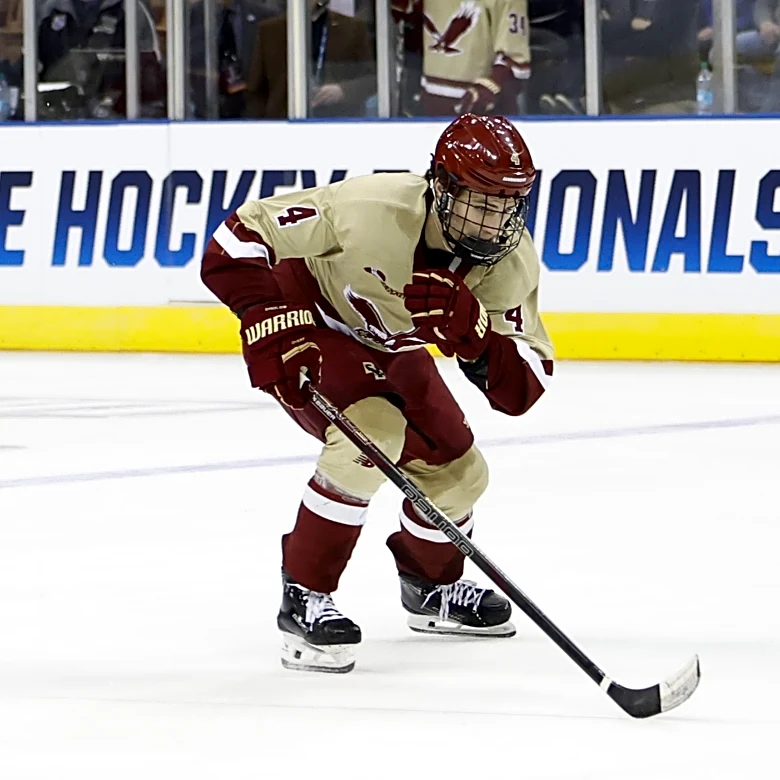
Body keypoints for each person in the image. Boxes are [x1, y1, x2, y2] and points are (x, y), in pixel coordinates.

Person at [200, 114, 554, 673]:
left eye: (507, 204)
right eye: (480, 201)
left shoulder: (508, 264)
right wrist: (274, 318)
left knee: (462, 474)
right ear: (441, 184)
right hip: (313, 325)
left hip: (387, 345)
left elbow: (524, 387)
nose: (494, 221)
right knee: (374, 435)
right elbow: (234, 240)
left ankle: (429, 588)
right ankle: (305, 596)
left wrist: (478, 340)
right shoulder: (369, 208)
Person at [393, 0, 531, 116]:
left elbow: (516, 63)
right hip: (430, 111)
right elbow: (401, 15)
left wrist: (485, 93)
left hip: (486, 121)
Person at [245, 0, 374, 119]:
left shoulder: (353, 28)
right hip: (283, 123)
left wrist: (343, 90)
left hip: (337, 120)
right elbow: (256, 90)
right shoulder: (269, 30)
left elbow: (372, 79)